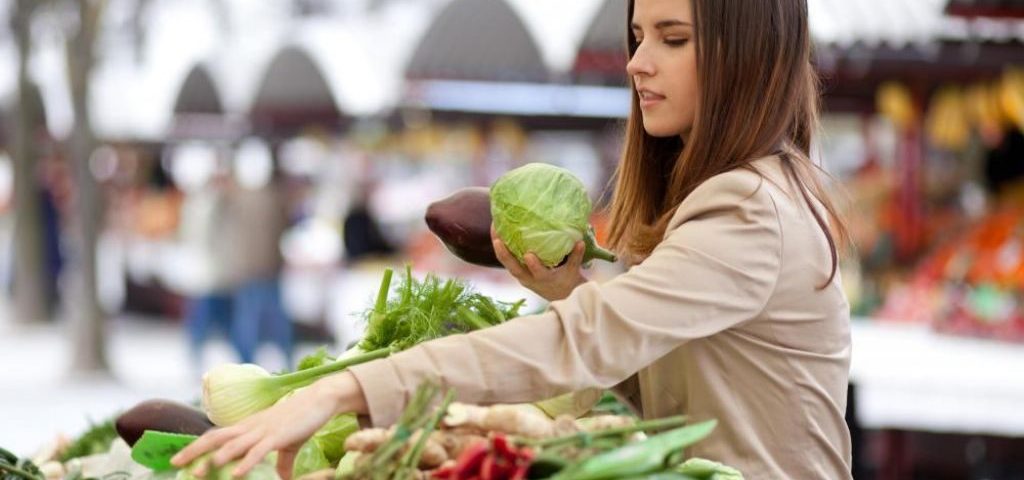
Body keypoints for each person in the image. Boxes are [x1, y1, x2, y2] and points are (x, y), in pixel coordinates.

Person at [172, 1, 853, 478]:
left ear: (750, 57)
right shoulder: (732, 196)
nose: (639, 63)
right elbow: (670, 399)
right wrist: (568, 290)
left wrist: (344, 390)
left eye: (673, 39)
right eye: (638, 35)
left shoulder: (749, 208)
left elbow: (578, 343)